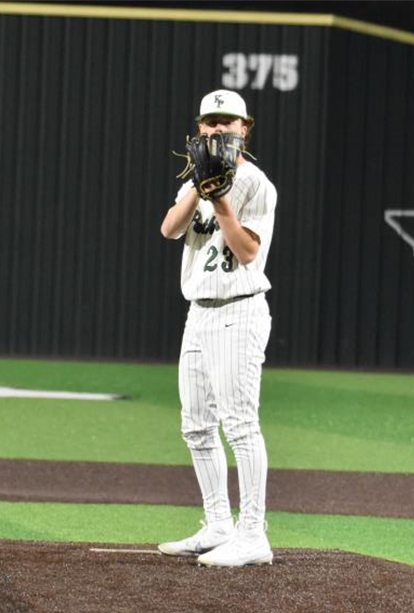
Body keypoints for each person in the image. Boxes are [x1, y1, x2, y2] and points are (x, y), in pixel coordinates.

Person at [158, 89, 277, 567]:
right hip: (199, 312)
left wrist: (222, 202)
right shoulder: (196, 177)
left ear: (245, 128)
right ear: (199, 127)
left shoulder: (256, 183)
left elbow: (247, 252)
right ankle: (218, 524)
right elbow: (169, 229)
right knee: (196, 426)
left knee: (240, 425)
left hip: (239, 310)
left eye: (227, 121)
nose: (217, 129)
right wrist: (197, 186)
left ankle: (253, 534)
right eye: (210, 121)